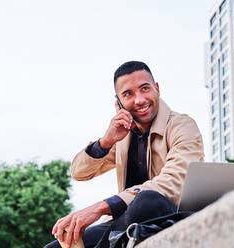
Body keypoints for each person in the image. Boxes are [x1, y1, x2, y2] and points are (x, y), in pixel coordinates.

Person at [45, 61, 204, 248]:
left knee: (147, 200)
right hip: (126, 222)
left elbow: (176, 181)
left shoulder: (182, 126)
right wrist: (106, 141)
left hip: (170, 213)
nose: (139, 100)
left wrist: (101, 208)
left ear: (157, 89)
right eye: (128, 94)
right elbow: (78, 172)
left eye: (145, 89)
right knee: (54, 247)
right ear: (118, 102)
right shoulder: (123, 134)